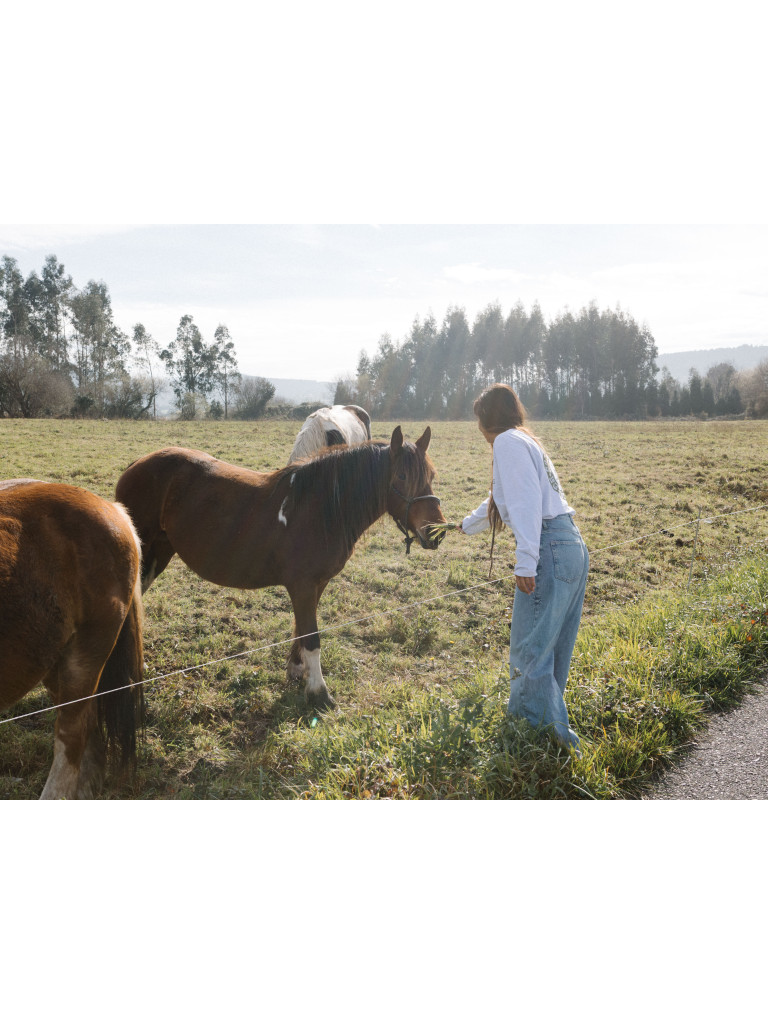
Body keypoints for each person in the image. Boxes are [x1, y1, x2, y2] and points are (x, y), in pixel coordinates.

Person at [459, 383, 589, 754]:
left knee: (529, 653)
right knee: (550, 651)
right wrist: (465, 525)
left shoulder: (506, 444)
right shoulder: (525, 440)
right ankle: (547, 740)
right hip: (569, 545)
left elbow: (528, 503)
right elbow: (503, 499)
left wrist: (526, 560)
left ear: (486, 419)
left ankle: (534, 746)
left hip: (547, 547)